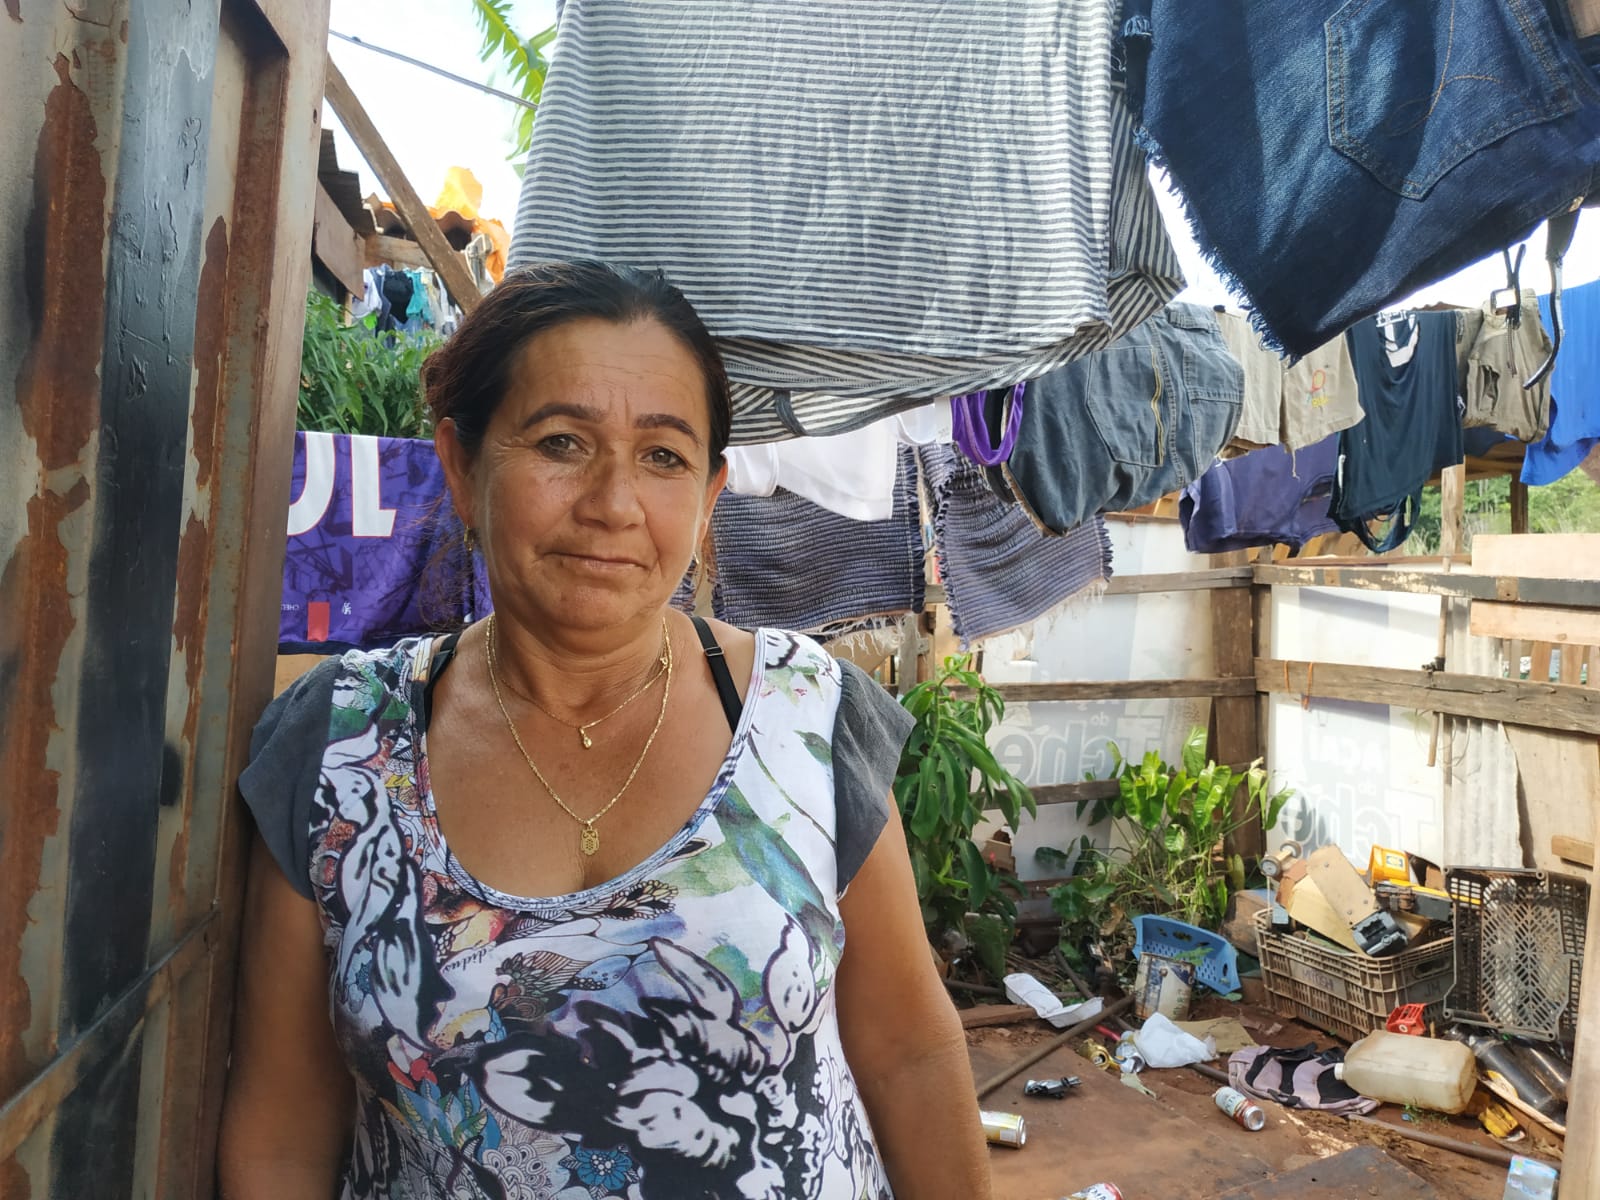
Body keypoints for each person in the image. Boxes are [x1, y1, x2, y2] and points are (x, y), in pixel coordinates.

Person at [219, 261, 991, 1199]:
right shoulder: (340, 746)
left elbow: (908, 1050)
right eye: (561, 442)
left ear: (708, 497)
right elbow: (287, 1123)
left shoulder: (805, 717)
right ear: (461, 466)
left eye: (664, 456)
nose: (614, 503)